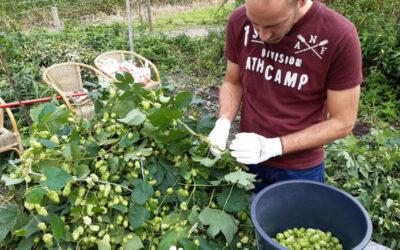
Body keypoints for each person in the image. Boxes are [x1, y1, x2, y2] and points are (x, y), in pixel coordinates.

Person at [208, 0, 362, 192]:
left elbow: (343, 121)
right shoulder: (238, 20)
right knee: (245, 219)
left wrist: (274, 146)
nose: (262, 35)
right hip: (246, 156)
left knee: (296, 222)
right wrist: (223, 123)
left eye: (273, 25)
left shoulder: (338, 35)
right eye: (254, 23)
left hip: (299, 169)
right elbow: (233, 81)